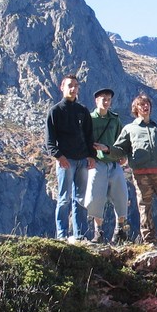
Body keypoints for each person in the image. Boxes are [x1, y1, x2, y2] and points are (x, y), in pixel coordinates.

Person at [110, 93, 157, 247]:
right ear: (135, 109)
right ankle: (149, 241)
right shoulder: (129, 129)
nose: (145, 106)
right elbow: (119, 150)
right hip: (141, 175)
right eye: (141, 104)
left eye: (147, 104)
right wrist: (106, 150)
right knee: (145, 209)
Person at [44, 74, 96, 240]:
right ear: (62, 87)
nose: (73, 89)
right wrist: (59, 157)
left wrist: (91, 156)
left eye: (75, 86)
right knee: (64, 198)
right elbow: (49, 141)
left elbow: (89, 136)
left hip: (82, 160)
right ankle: (61, 235)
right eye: (69, 86)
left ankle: (80, 235)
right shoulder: (55, 111)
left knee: (80, 200)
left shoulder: (82, 111)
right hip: (66, 161)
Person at [85, 87, 131, 243]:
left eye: (109, 99)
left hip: (113, 163)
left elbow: (122, 140)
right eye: (103, 99)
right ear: (96, 100)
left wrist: (123, 155)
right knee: (96, 197)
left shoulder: (115, 119)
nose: (106, 102)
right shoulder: (89, 119)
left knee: (121, 195)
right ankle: (98, 232)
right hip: (97, 163)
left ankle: (120, 229)